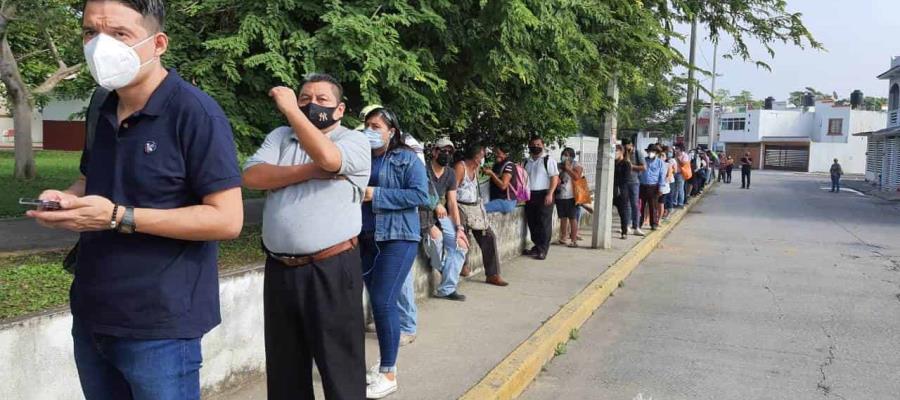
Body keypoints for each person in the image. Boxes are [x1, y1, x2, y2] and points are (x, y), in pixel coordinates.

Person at [28, 2, 244, 399]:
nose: (99, 46)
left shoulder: (195, 113)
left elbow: (226, 219)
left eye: (119, 34)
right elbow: (90, 177)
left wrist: (116, 217)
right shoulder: (101, 104)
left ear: (158, 42)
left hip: (159, 327)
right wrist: (67, 199)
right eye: (91, 32)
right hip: (93, 313)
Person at [243, 74, 370, 399]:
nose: (312, 105)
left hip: (331, 269)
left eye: (321, 100)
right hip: (280, 270)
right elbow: (252, 176)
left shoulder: (353, 140)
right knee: (285, 371)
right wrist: (312, 172)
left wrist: (292, 112)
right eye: (303, 99)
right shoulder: (281, 137)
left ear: (340, 109)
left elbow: (330, 158)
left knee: (340, 368)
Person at [355, 107, 429, 398]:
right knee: (376, 302)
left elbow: (421, 196)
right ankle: (381, 366)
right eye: (367, 125)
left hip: (398, 237)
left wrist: (377, 194)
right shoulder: (360, 157)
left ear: (392, 132)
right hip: (365, 238)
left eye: (376, 126)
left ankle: (389, 371)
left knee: (385, 301)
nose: (370, 131)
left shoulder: (406, 158)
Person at [420, 138, 471, 302]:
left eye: (450, 152)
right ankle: (444, 270)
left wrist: (459, 228)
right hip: (421, 214)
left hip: (441, 216)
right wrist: (435, 206)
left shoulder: (450, 173)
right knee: (437, 238)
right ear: (434, 151)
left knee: (461, 245)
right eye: (443, 150)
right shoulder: (422, 168)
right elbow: (417, 193)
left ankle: (446, 289)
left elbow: (452, 202)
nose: (446, 154)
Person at [456, 145, 509, 286]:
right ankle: (463, 265)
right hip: (459, 205)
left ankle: (493, 274)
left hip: (474, 206)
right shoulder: (461, 168)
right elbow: (452, 191)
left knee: (489, 236)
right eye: (482, 155)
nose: (483, 158)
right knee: (463, 234)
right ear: (476, 157)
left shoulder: (476, 168)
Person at [523, 136, 560, 259]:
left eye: (539, 144)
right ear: (529, 146)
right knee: (532, 222)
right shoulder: (526, 162)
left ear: (543, 146)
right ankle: (537, 246)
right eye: (533, 144)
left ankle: (543, 250)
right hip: (530, 195)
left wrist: (550, 193)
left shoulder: (548, 160)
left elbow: (554, 177)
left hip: (544, 194)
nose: (536, 147)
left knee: (544, 223)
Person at [555, 147, 584, 247]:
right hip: (560, 195)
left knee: (572, 218)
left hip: (572, 195)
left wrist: (567, 168)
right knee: (563, 217)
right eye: (563, 154)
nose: (564, 157)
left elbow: (577, 177)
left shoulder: (576, 165)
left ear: (572, 157)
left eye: (567, 155)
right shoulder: (559, 165)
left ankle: (574, 240)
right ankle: (563, 237)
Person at [638, 144, 667, 231]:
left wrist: (661, 188)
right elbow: (639, 172)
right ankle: (638, 223)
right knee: (641, 206)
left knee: (653, 206)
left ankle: (653, 224)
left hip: (654, 187)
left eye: (653, 152)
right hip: (642, 186)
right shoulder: (643, 161)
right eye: (650, 151)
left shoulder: (660, 162)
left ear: (656, 153)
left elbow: (662, 176)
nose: (651, 153)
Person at [622, 138, 646, 236]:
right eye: (624, 146)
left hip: (634, 182)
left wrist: (631, 166)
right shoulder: (623, 153)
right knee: (625, 205)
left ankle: (636, 226)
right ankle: (627, 226)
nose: (626, 148)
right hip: (624, 182)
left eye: (628, 146)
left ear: (631, 144)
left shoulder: (638, 153)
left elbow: (644, 167)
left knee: (635, 205)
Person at [484, 145, 518, 214]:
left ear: (505, 154)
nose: (496, 154)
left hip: (506, 201)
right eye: (495, 152)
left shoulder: (509, 166)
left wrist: (492, 174)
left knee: (481, 209)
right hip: (497, 200)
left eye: (498, 153)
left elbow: (503, 186)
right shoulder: (498, 165)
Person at [613, 145, 632, 239]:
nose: (614, 152)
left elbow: (626, 178)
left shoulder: (626, 164)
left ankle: (624, 232)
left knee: (623, 212)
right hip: (611, 191)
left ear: (621, 152)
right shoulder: (611, 163)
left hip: (621, 191)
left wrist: (616, 182)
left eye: (616, 150)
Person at [672, 144, 689, 208]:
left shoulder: (685, 155)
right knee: (675, 189)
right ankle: (674, 202)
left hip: (681, 174)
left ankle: (680, 203)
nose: (676, 150)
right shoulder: (675, 155)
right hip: (675, 173)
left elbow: (683, 164)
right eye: (675, 148)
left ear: (681, 149)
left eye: (677, 148)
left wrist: (677, 158)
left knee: (680, 189)